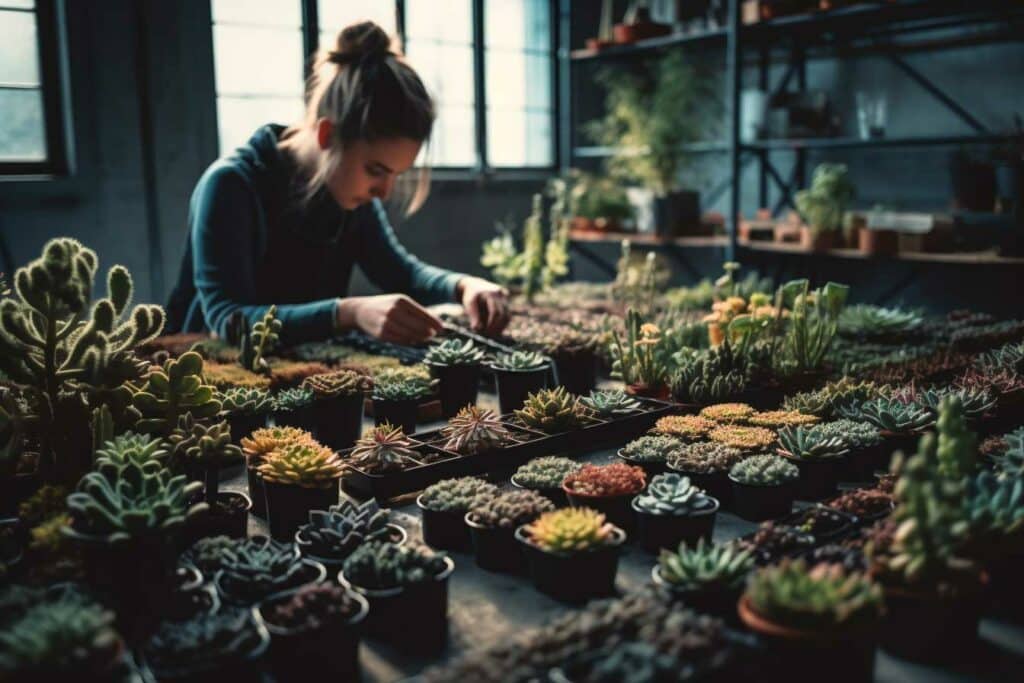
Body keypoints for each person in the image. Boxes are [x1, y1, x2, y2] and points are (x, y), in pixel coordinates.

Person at [166, 21, 509, 346]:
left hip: (299, 379)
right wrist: (349, 312)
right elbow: (228, 320)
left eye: (395, 175)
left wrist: (464, 286)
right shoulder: (231, 186)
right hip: (209, 385)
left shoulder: (348, 194)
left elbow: (399, 272)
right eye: (376, 170)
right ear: (327, 135)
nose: (384, 192)